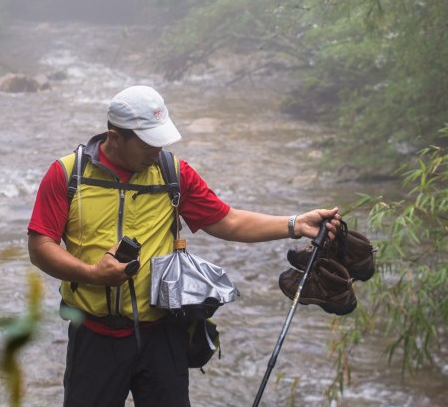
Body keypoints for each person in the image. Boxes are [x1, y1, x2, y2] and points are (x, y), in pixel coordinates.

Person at [27, 85, 341, 407]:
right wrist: (92, 273)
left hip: (163, 335)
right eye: (148, 143)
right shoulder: (69, 175)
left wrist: (295, 224)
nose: (157, 150)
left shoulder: (172, 173)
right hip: (94, 336)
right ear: (115, 137)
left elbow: (228, 220)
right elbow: (40, 246)